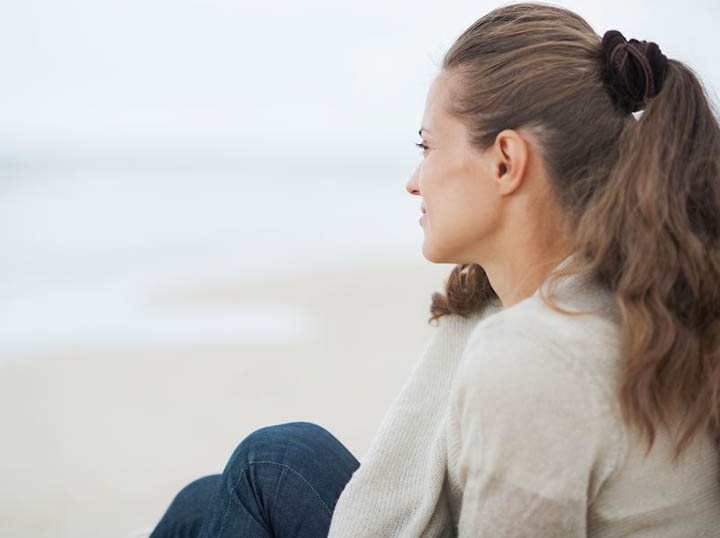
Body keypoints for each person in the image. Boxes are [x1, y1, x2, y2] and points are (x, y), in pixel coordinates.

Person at [148, 3, 720, 537]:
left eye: (426, 146)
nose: (413, 180)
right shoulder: (646, 294)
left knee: (270, 461)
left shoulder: (537, 357)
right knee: (216, 496)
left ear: (505, 162)